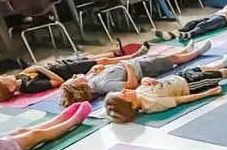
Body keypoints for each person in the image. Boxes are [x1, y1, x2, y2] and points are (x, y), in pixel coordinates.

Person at [103, 55, 227, 123]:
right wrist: (206, 93)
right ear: (132, 106)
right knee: (223, 74)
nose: (126, 90)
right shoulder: (152, 105)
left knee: (204, 68)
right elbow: (180, 100)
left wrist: (146, 79)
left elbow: (146, 83)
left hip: (180, 77)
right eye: (124, 94)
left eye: (123, 90)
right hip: (189, 86)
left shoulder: (138, 93)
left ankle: (223, 61)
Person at [58, 40, 214, 106]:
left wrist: (95, 69)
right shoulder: (103, 85)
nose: (75, 76)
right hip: (140, 69)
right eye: (74, 80)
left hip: (136, 63)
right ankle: (196, 54)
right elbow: (131, 84)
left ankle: (185, 51)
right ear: (80, 87)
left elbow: (95, 71)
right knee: (170, 59)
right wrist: (129, 68)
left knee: (163, 56)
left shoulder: (91, 80)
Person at [0, 45, 150, 101]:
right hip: (67, 71)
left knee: (92, 57)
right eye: (4, 79)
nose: (6, 76)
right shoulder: (29, 86)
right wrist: (41, 69)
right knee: (101, 63)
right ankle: (132, 56)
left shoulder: (21, 77)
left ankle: (115, 52)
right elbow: (58, 82)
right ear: (11, 87)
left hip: (62, 64)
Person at [154, 1, 227, 41]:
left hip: (223, 19)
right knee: (193, 22)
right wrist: (225, 10)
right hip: (216, 15)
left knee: (204, 25)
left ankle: (188, 35)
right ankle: (173, 34)